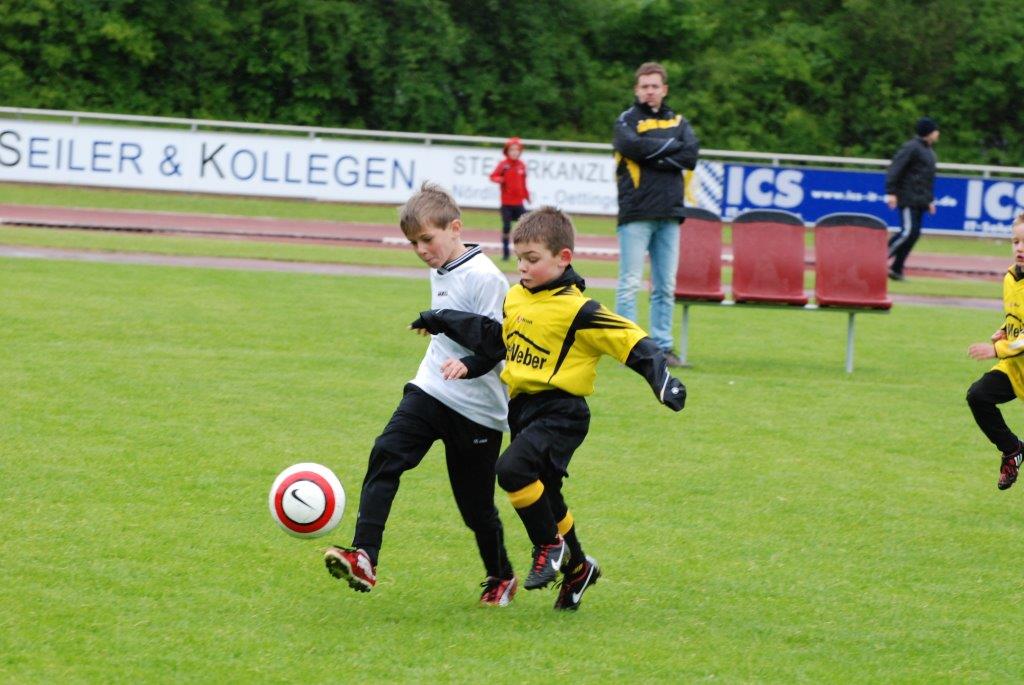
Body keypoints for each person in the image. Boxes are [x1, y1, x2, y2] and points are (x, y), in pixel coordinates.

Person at [410, 206, 686, 611]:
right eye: (519, 258)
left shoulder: (579, 310)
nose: (523, 267)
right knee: (547, 495)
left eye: (533, 259)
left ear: (563, 258)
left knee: (511, 470)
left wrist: (662, 380)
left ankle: (548, 546)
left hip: (561, 411)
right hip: (522, 411)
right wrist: (442, 321)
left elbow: (631, 340)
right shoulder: (516, 297)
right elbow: (497, 340)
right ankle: (579, 568)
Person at [324, 182, 518, 607]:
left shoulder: (486, 277)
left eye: (427, 239)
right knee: (386, 453)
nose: (421, 250)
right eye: (413, 243)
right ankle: (364, 556)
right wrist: (439, 328)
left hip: (478, 409)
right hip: (431, 388)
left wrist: (463, 354)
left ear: (455, 228)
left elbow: (499, 341)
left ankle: (501, 575)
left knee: (475, 508)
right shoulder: (441, 265)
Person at [613, 61, 700, 368]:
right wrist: (671, 148)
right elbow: (632, 147)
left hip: (670, 213)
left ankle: (662, 348)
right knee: (630, 283)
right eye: (644, 86)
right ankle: (629, 348)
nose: (649, 91)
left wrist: (652, 154)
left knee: (665, 286)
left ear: (664, 89)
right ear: (637, 90)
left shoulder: (679, 121)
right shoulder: (626, 120)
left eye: (655, 86)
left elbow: (690, 155)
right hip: (636, 212)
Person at [967, 212, 1024, 491]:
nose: (1020, 248)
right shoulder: (1011, 277)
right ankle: (1012, 449)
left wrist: (996, 349)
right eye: (1016, 241)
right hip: (1016, 368)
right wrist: (1004, 330)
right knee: (978, 395)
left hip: (1012, 357)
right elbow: (1016, 317)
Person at [885, 116, 940, 281]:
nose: (938, 133)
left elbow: (926, 179)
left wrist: (929, 200)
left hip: (920, 201)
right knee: (907, 232)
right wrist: (891, 192)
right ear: (928, 132)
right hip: (908, 198)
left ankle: (897, 269)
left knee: (913, 235)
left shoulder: (929, 151)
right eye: (935, 130)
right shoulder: (911, 147)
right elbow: (895, 169)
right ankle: (875, 261)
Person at [489, 137, 531, 261]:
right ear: (507, 151)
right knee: (507, 227)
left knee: (526, 226)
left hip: (519, 203)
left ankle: (524, 252)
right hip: (506, 204)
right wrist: (500, 179)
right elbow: (493, 176)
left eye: (517, 150)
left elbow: (523, 183)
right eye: (512, 150)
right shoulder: (503, 165)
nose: (514, 152)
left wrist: (527, 196)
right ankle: (506, 254)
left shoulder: (522, 165)